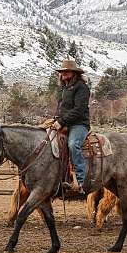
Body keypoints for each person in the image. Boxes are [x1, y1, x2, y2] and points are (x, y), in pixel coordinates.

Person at [51, 60, 90, 197]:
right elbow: (61, 107)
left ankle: (81, 181)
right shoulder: (63, 88)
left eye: (66, 71)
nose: (63, 74)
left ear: (74, 73)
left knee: (74, 144)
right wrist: (56, 119)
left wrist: (61, 121)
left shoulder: (81, 87)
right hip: (64, 122)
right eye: (62, 72)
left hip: (79, 124)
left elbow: (79, 110)